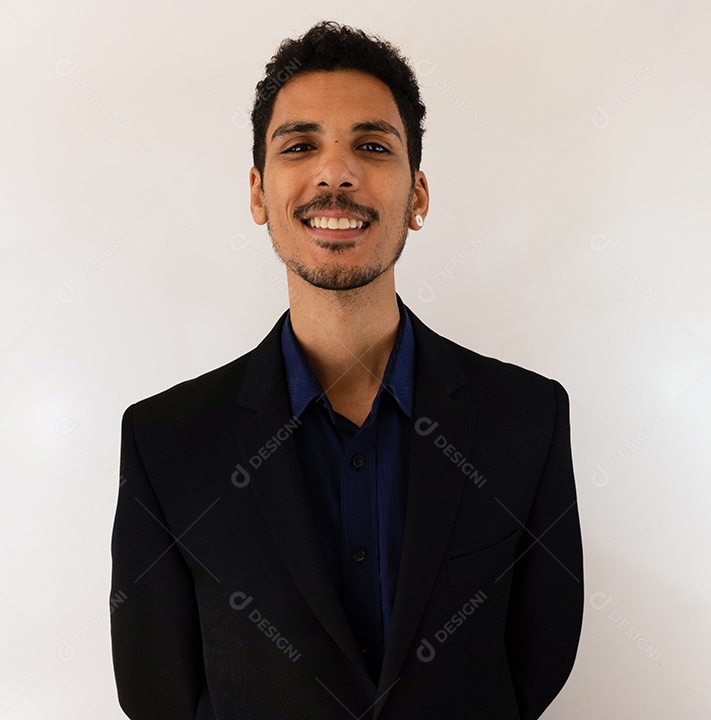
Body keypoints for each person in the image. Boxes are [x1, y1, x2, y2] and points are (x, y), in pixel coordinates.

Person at [110, 20, 583, 719]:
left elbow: (535, 662)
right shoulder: (167, 441)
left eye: (372, 146)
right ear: (258, 193)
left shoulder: (526, 419)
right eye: (301, 146)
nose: (336, 173)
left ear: (417, 196)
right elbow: (158, 691)